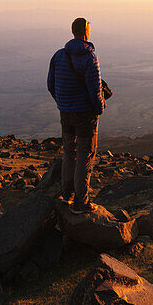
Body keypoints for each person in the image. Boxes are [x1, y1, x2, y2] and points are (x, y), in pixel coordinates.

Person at [47, 17, 104, 212]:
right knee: (85, 154)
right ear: (85, 32)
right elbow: (95, 90)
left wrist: (63, 102)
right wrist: (99, 108)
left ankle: (67, 195)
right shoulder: (90, 57)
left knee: (69, 153)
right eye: (89, 29)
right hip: (85, 115)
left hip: (65, 113)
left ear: (73, 32)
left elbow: (51, 84)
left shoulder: (59, 55)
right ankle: (81, 202)